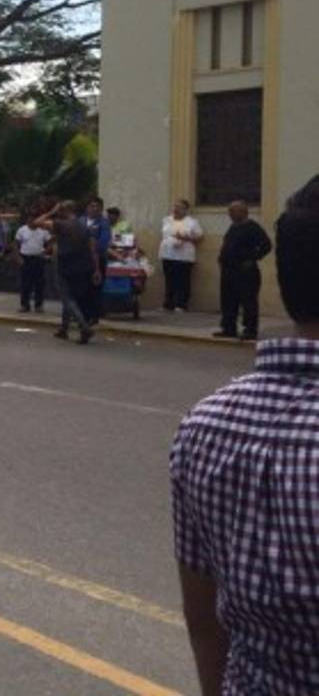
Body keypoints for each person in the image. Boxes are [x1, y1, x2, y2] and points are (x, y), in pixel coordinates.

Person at [170, 175, 319, 695]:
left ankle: (241, 324)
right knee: (232, 308)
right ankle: (231, 324)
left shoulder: (204, 425)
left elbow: (205, 618)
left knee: (242, 307)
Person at [34, 201, 101, 345]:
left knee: (67, 298)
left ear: (64, 211)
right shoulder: (84, 226)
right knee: (73, 298)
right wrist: (96, 269)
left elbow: (37, 222)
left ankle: (84, 327)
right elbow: (92, 249)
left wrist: (52, 211)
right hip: (83, 266)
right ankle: (64, 329)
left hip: (65, 265)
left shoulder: (61, 224)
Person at [213, 200, 273, 340]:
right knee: (228, 300)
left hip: (246, 272)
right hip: (229, 271)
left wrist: (252, 258)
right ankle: (229, 328)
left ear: (243, 212)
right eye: (229, 211)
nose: (230, 214)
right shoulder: (233, 227)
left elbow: (266, 246)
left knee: (248, 301)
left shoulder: (252, 227)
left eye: (232, 211)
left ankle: (250, 330)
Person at [159, 199, 203, 312]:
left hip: (184, 255)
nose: (176, 209)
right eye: (175, 206)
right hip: (167, 254)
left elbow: (199, 237)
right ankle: (168, 304)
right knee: (169, 279)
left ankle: (181, 304)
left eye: (179, 207)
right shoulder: (167, 220)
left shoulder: (192, 222)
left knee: (182, 280)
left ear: (186, 210)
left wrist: (185, 238)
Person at [78, 198, 112, 324]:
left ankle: (94, 315)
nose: (95, 209)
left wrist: (91, 246)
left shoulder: (104, 223)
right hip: (80, 260)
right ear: (87, 208)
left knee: (95, 287)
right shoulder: (80, 221)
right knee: (81, 287)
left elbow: (104, 241)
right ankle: (82, 313)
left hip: (97, 259)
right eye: (92, 206)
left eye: (98, 206)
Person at [14, 210, 51, 313]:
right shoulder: (22, 230)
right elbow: (16, 244)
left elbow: (49, 243)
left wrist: (45, 252)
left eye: (34, 218)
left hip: (38, 259)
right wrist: (18, 258)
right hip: (25, 258)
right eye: (30, 218)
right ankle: (24, 305)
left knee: (39, 283)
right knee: (25, 283)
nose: (31, 220)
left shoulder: (43, 231)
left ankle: (39, 305)